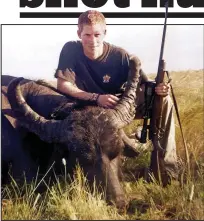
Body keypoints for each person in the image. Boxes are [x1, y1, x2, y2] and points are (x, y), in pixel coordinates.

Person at [54, 10, 179, 185]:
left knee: (163, 100)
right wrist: (96, 97)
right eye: (87, 35)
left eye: (97, 34)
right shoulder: (70, 49)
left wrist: (159, 88)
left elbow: (144, 84)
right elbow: (63, 85)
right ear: (78, 34)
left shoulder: (120, 55)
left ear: (105, 33)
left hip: (118, 108)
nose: (92, 41)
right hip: (87, 110)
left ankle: (167, 167)